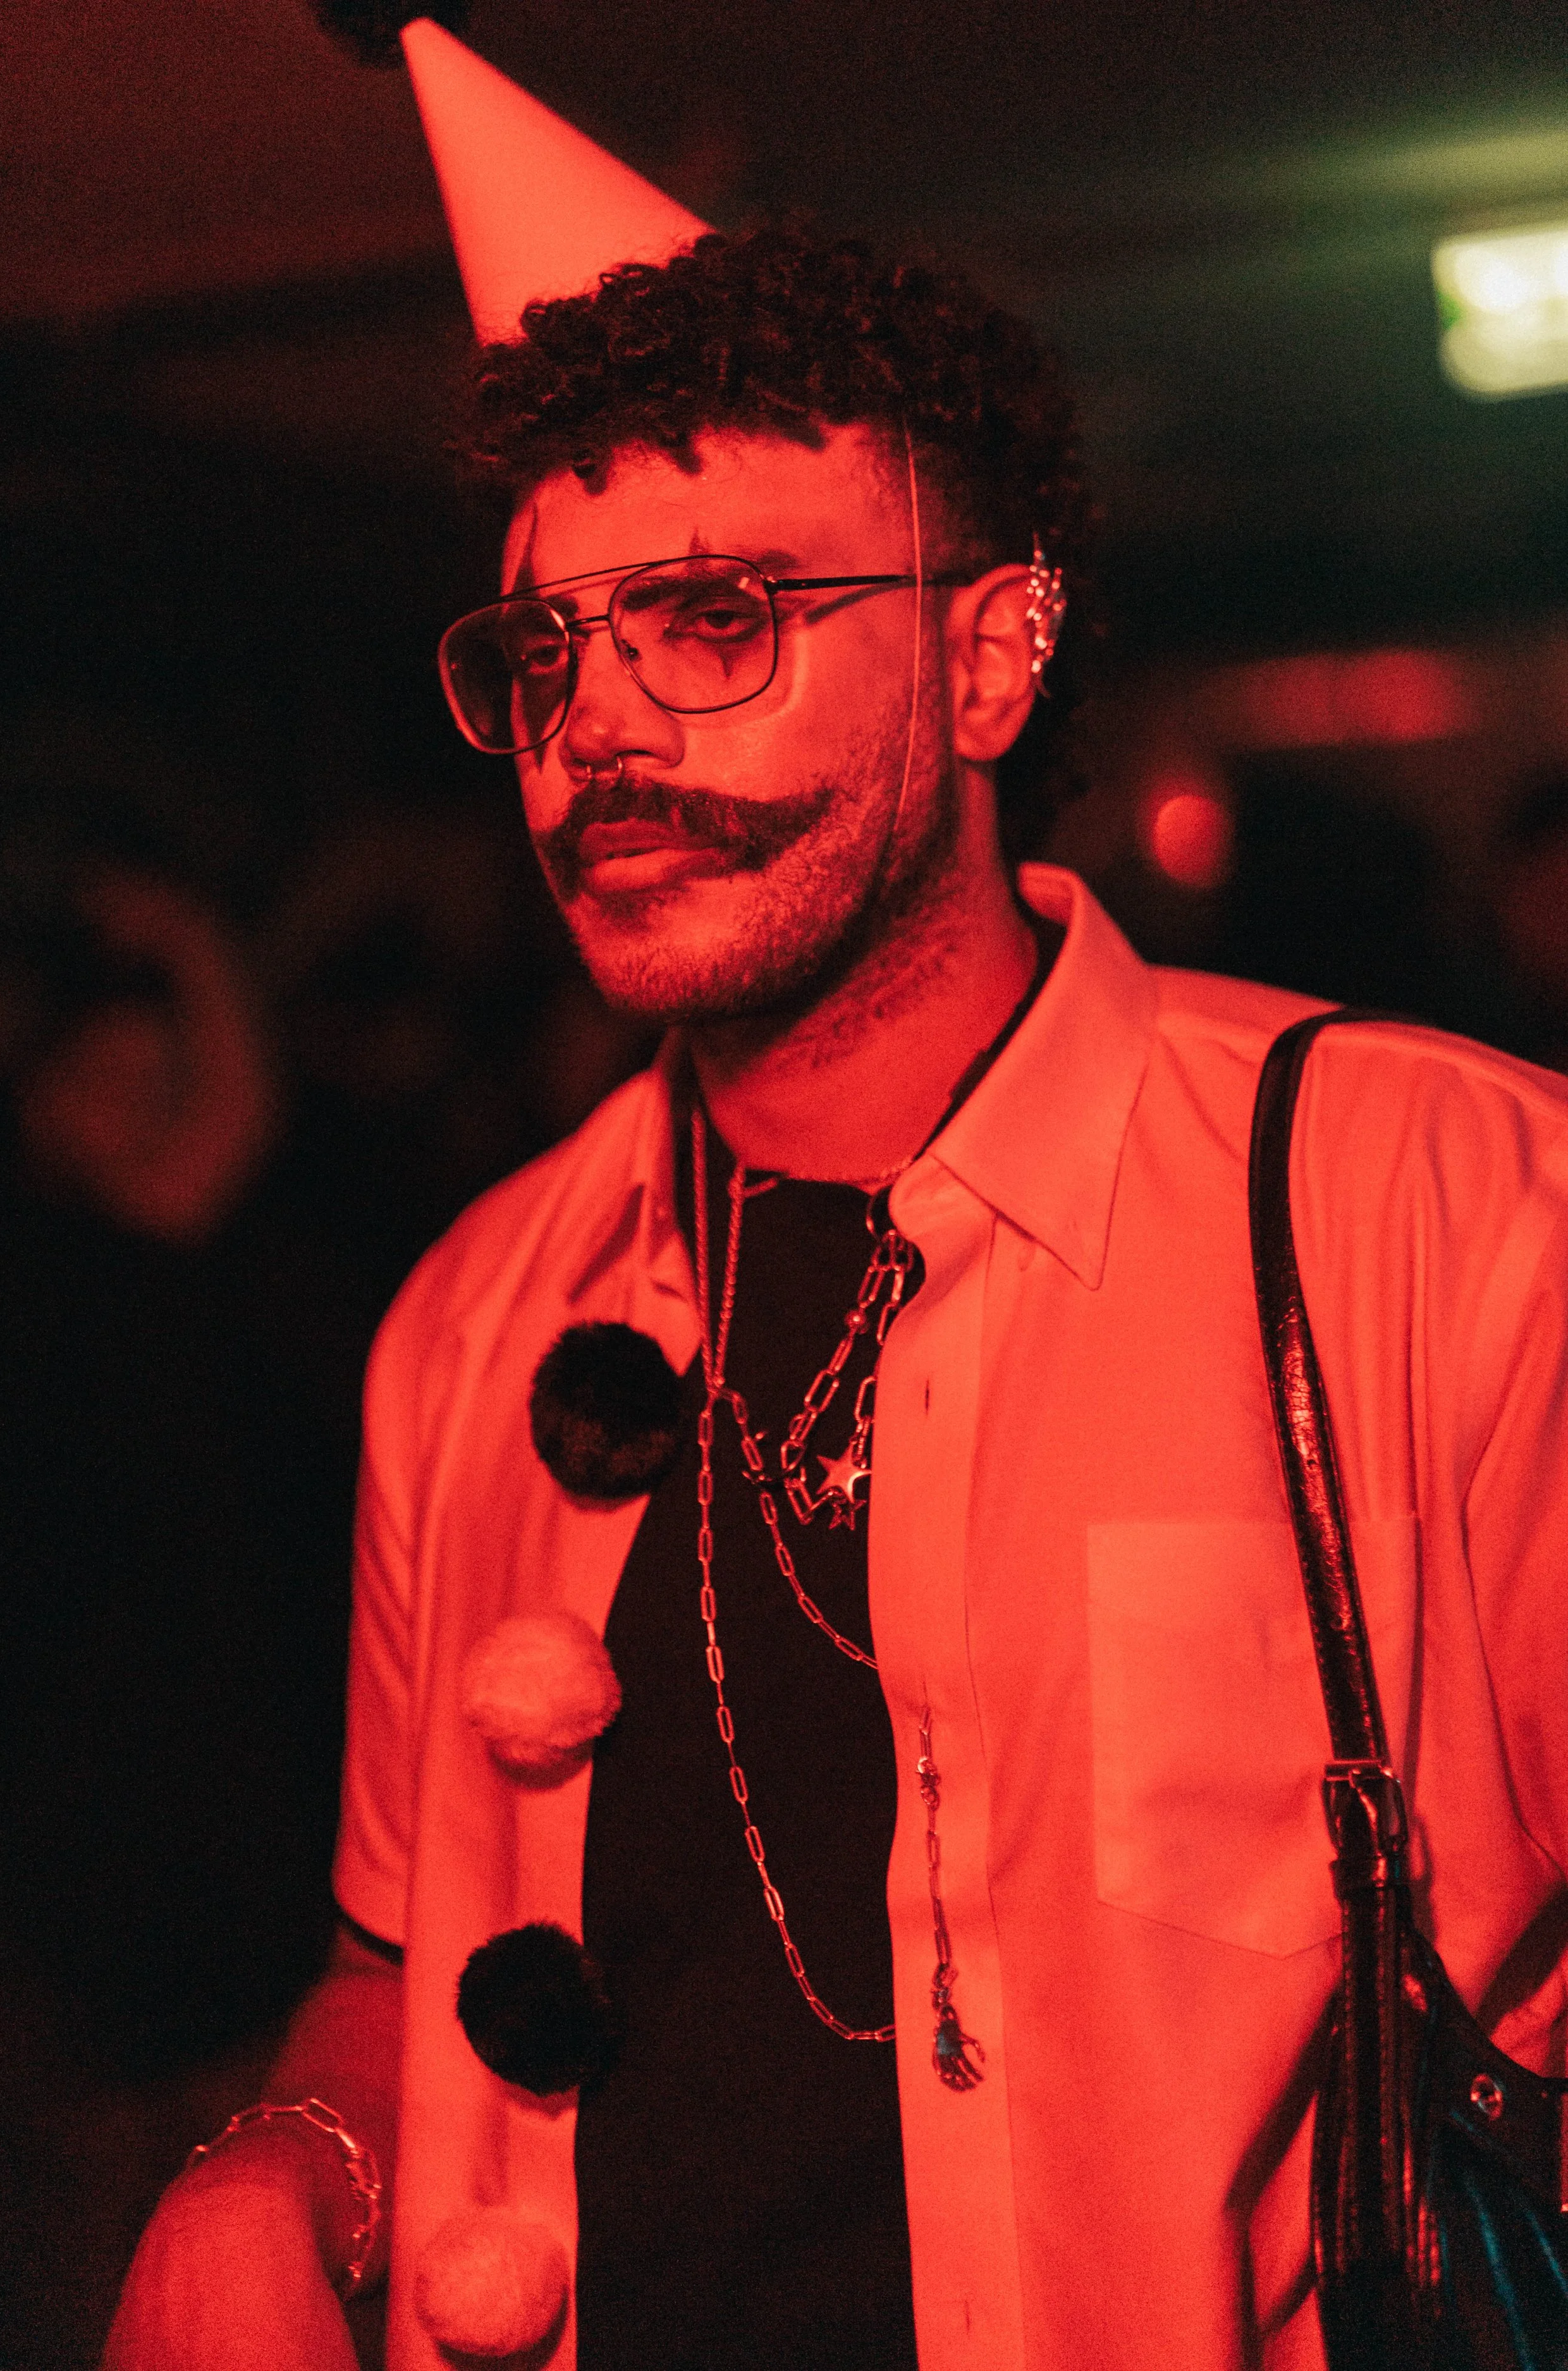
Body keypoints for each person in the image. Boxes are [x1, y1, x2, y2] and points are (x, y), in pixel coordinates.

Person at [104, 45, 1568, 2371]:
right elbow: (401, 1962)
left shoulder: (1440, 1213)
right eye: (546, 652)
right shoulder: (481, 1318)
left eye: (711, 617)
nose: (600, 731)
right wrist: (290, 2165)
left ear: (992, 652)